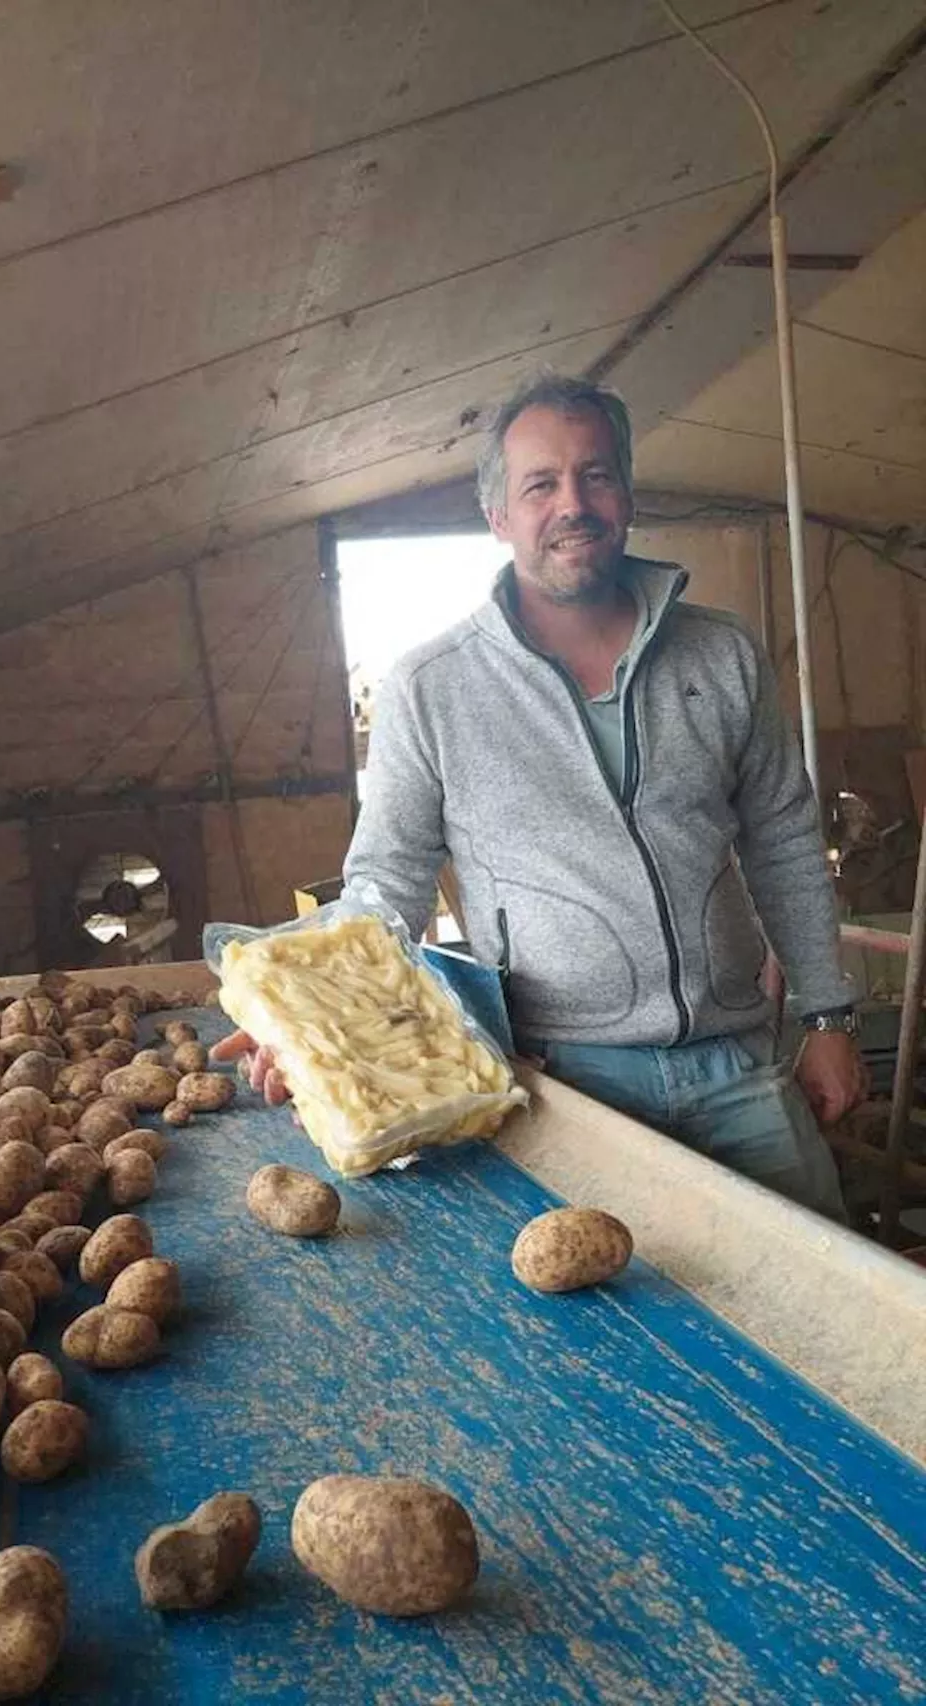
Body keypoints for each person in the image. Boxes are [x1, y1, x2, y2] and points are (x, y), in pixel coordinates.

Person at [215, 373, 866, 1219]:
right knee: (609, 1327)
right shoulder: (433, 686)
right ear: (498, 516)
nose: (574, 503)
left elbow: (783, 840)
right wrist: (303, 1020)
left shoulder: (722, 654)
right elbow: (385, 887)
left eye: (596, 475)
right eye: (541, 484)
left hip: (738, 1065)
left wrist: (830, 1018)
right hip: (564, 1084)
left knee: (821, 1315)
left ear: (628, 493)